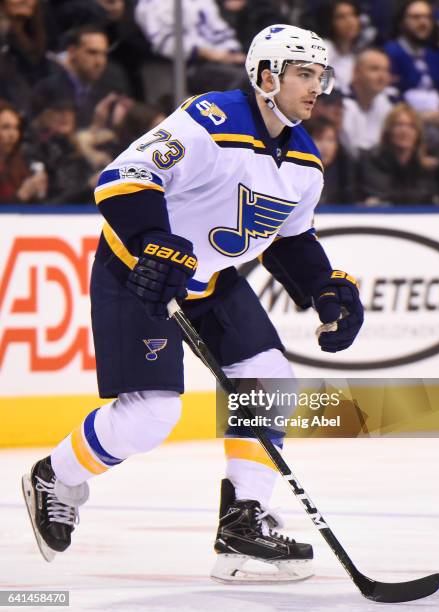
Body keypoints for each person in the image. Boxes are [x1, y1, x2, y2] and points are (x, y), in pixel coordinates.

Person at [22, 24, 364, 583]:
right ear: (266, 76)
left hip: (212, 281)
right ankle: (53, 477)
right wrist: (153, 242)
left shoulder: (304, 161)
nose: (316, 87)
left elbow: (290, 238)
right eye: (304, 74)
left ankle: (241, 524)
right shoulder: (211, 120)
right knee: (153, 415)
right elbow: (122, 179)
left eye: (319, 76)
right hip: (140, 272)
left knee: (270, 377)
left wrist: (325, 290)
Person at [32, 25, 130, 128]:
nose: (100, 61)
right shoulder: (48, 89)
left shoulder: (110, 89)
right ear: (72, 52)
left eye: (104, 54)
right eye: (92, 53)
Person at [356, 102, 439, 205]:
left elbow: (438, 199)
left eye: (411, 126)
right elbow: (382, 196)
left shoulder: (427, 169)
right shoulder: (372, 162)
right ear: (388, 131)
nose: (404, 131)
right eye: (398, 125)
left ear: (418, 134)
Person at [340, 48, 394, 158]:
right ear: (356, 72)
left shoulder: (386, 103)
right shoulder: (341, 104)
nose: (382, 76)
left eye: (385, 70)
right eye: (374, 69)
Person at [0, 100, 48, 204]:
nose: (13, 134)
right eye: (6, 127)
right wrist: (21, 195)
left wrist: (36, 192)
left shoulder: (20, 163)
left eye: (16, 128)